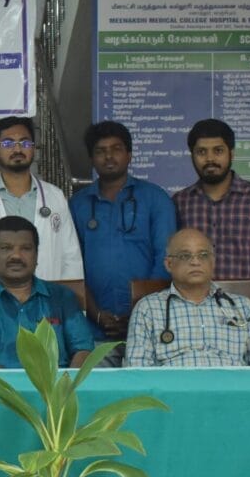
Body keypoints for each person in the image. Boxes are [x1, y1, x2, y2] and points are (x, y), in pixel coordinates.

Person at [173, 118, 250, 335]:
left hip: (247, 313)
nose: (210, 159)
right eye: (201, 152)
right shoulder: (180, 203)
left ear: (231, 154)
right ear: (192, 156)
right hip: (191, 315)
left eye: (218, 151)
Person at [69, 121, 177, 343]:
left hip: (151, 327)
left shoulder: (155, 199)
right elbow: (72, 266)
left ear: (129, 155)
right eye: (100, 151)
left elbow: (166, 259)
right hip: (93, 329)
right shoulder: (77, 205)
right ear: (91, 158)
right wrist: (97, 315)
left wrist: (140, 313)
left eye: (116, 149)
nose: (109, 156)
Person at [125, 228, 250, 367]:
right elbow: (137, 372)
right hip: (173, 389)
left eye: (203, 255)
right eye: (185, 256)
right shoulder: (148, 309)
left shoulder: (242, 307)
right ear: (169, 264)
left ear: (213, 262)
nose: (195, 262)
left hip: (232, 388)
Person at [0, 216, 93, 369]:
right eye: (6, 248)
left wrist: (67, 381)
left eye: (26, 248)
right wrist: (10, 383)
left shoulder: (62, 297)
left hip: (56, 383)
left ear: (36, 256)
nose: (16, 256)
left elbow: (83, 350)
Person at [0, 116, 83, 282]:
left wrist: (68, 297)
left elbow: (71, 257)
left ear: (34, 149)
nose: (17, 149)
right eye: (7, 143)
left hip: (45, 295)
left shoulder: (55, 196)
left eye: (25, 143)